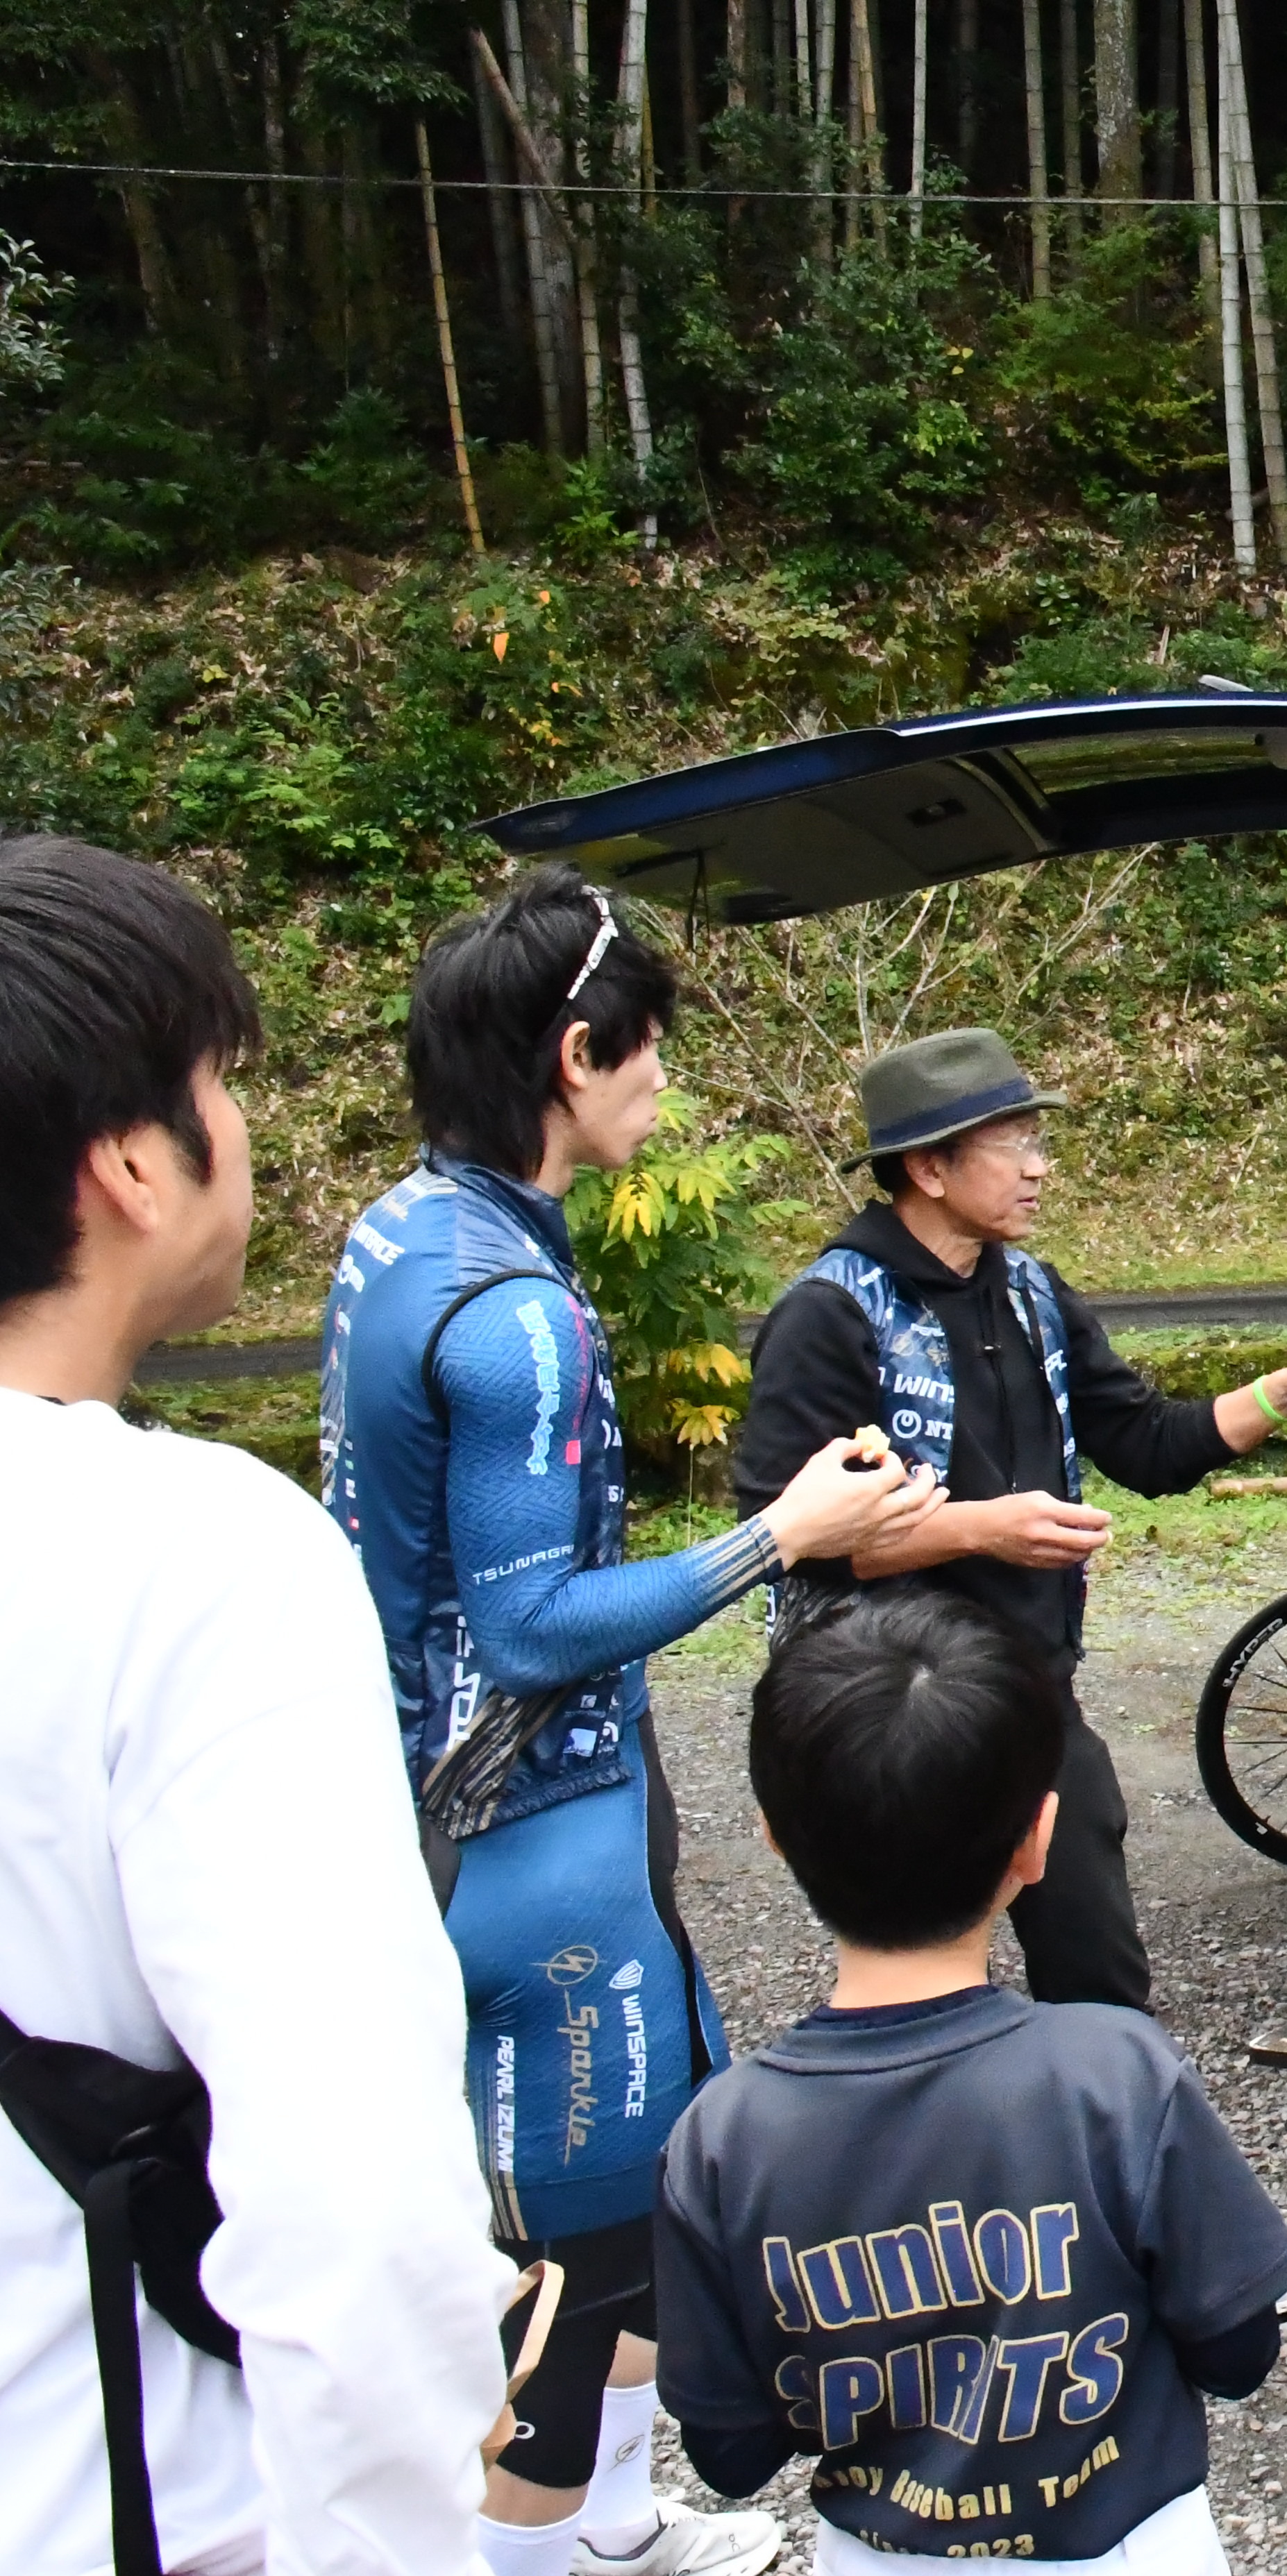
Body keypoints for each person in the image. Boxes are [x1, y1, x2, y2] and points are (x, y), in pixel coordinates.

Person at [321, 864, 930, 2576]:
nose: (667, 1079)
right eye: (651, 1048)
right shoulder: (517, 1315)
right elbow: (524, 1627)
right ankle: (537, 2550)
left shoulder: (406, 1227)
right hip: (536, 1820)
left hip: (458, 1797)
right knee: (585, 2264)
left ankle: (609, 2528)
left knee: (638, 2209)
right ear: (578, 1055)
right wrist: (781, 1533)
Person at [0, 837, 516, 2576]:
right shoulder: (187, 1549)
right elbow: (357, 2210)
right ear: (133, 1161)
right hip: (120, 2495)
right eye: (223, 1079)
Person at [728, 1030, 1287, 2015]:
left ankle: (1093, 2142)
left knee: (1100, 1977)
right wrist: (978, 1530)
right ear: (928, 1167)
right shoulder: (832, 1314)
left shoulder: (1034, 1293)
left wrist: (1284, 1394)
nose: (1040, 1168)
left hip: (1029, 1697)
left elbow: (1146, 1445)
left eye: (1038, 1142)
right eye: (1013, 1143)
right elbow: (779, 1535)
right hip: (887, 1712)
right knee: (908, 1987)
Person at [654, 1590, 1287, 2573]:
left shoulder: (720, 2137)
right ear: (1036, 1841)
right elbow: (1240, 2350)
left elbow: (731, 2452)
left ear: (775, 1835)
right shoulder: (1116, 2074)